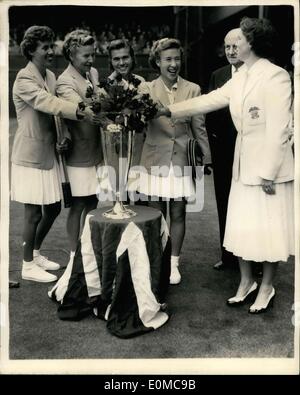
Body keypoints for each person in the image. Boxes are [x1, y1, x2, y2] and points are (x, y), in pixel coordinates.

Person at [163, 18, 294, 312]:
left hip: (268, 168)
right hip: (243, 160)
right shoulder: (242, 75)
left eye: (241, 39)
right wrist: (169, 109)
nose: (235, 44)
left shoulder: (276, 76)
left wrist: (269, 173)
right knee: (243, 224)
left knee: (267, 228)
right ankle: (246, 281)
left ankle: (267, 285)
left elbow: (279, 129)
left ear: (253, 43)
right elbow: (211, 99)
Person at [11, 25, 97, 283]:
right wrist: (80, 111)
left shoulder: (49, 75)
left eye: (52, 46)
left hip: (49, 153)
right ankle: (26, 264)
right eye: (45, 47)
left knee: (53, 207)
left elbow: (56, 115)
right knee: (33, 212)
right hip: (31, 155)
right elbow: (48, 104)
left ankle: (35, 253)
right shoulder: (24, 79)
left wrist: (64, 136)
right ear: (31, 51)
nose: (51, 51)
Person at [137, 38, 211, 285]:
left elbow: (198, 127)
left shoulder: (193, 89)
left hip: (181, 159)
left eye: (177, 59)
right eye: (168, 59)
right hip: (154, 159)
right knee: (157, 215)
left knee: (178, 213)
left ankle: (174, 263)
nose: (173, 64)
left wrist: (206, 158)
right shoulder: (145, 89)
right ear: (157, 62)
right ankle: (158, 258)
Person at [56, 29, 104, 263]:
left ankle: (88, 249)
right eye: (85, 55)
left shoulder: (92, 72)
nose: (91, 60)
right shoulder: (64, 80)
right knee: (78, 204)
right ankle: (75, 254)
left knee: (94, 201)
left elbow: (100, 96)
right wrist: (93, 111)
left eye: (92, 54)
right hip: (78, 151)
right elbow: (77, 107)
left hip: (96, 149)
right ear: (71, 55)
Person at [205, 29, 243, 271]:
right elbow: (210, 114)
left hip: (249, 151)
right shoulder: (217, 75)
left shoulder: (257, 75)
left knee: (249, 205)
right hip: (223, 152)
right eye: (227, 47)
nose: (230, 51)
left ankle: (252, 259)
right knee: (224, 202)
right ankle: (227, 255)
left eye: (235, 46)